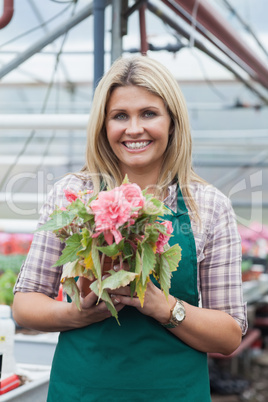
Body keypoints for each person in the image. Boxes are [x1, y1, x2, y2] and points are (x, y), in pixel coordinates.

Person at [13, 56, 247, 401]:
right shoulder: (73, 196)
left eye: (149, 113)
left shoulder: (207, 206)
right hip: (82, 391)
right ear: (103, 126)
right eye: (119, 116)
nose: (133, 128)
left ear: (172, 122)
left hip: (173, 393)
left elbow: (228, 335)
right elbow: (25, 304)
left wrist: (162, 306)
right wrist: (77, 313)